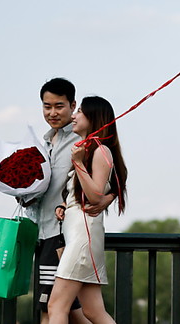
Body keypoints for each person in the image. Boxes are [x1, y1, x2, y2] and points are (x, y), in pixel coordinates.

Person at [27, 78, 115, 324]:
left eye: (62, 107)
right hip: (55, 229)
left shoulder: (84, 145)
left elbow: (106, 181)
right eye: (47, 106)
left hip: (68, 234)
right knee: (87, 311)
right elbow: (77, 188)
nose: (53, 113)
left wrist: (106, 198)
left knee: (53, 307)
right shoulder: (47, 142)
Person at [47, 96, 128, 324]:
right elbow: (86, 193)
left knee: (56, 306)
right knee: (93, 311)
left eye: (79, 111)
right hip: (80, 234)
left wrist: (79, 164)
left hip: (83, 236)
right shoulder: (89, 150)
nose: (74, 116)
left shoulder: (100, 151)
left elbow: (94, 195)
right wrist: (65, 205)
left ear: (93, 117)